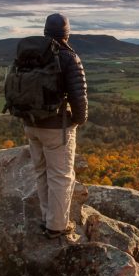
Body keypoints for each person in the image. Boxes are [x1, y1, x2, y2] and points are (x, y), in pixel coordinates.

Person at [23, 13, 88, 238]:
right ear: (66, 33)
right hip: (56, 128)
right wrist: (78, 121)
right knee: (60, 176)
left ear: (45, 31)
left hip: (30, 124)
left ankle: (46, 216)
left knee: (41, 172)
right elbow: (79, 97)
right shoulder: (69, 57)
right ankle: (57, 226)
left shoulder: (29, 54)